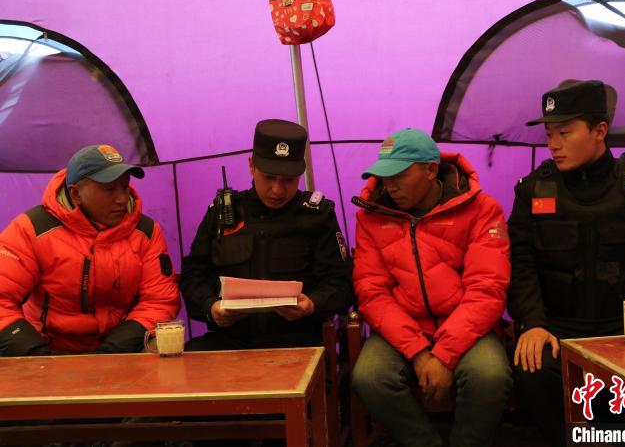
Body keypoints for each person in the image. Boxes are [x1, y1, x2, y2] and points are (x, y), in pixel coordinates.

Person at [507, 79, 625, 446]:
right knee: (532, 368)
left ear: (600, 130)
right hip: (560, 331)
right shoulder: (534, 189)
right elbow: (521, 263)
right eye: (549, 134)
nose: (553, 144)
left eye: (564, 132)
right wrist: (532, 322)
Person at [351, 129, 512, 447]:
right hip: (401, 328)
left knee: (490, 376)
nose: (390, 185)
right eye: (384, 176)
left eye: (399, 175)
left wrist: (444, 354)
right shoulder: (370, 217)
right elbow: (372, 292)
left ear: (431, 169)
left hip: (468, 327)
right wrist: (419, 353)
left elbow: (487, 288)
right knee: (369, 377)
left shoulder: (482, 209)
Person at [180, 119, 353, 351]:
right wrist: (210, 307)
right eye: (269, 177)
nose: (277, 190)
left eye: (289, 180)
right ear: (251, 165)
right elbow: (193, 275)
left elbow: (341, 282)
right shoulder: (222, 214)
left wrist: (312, 304)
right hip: (229, 340)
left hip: (297, 341)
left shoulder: (317, 216)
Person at [0, 144, 180, 356]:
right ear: (76, 193)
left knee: (162, 347)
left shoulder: (146, 232)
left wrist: (115, 348)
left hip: (123, 349)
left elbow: (159, 299)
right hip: (48, 351)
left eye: (124, 187)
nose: (122, 199)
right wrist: (37, 355)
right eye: (109, 189)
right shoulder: (32, 229)